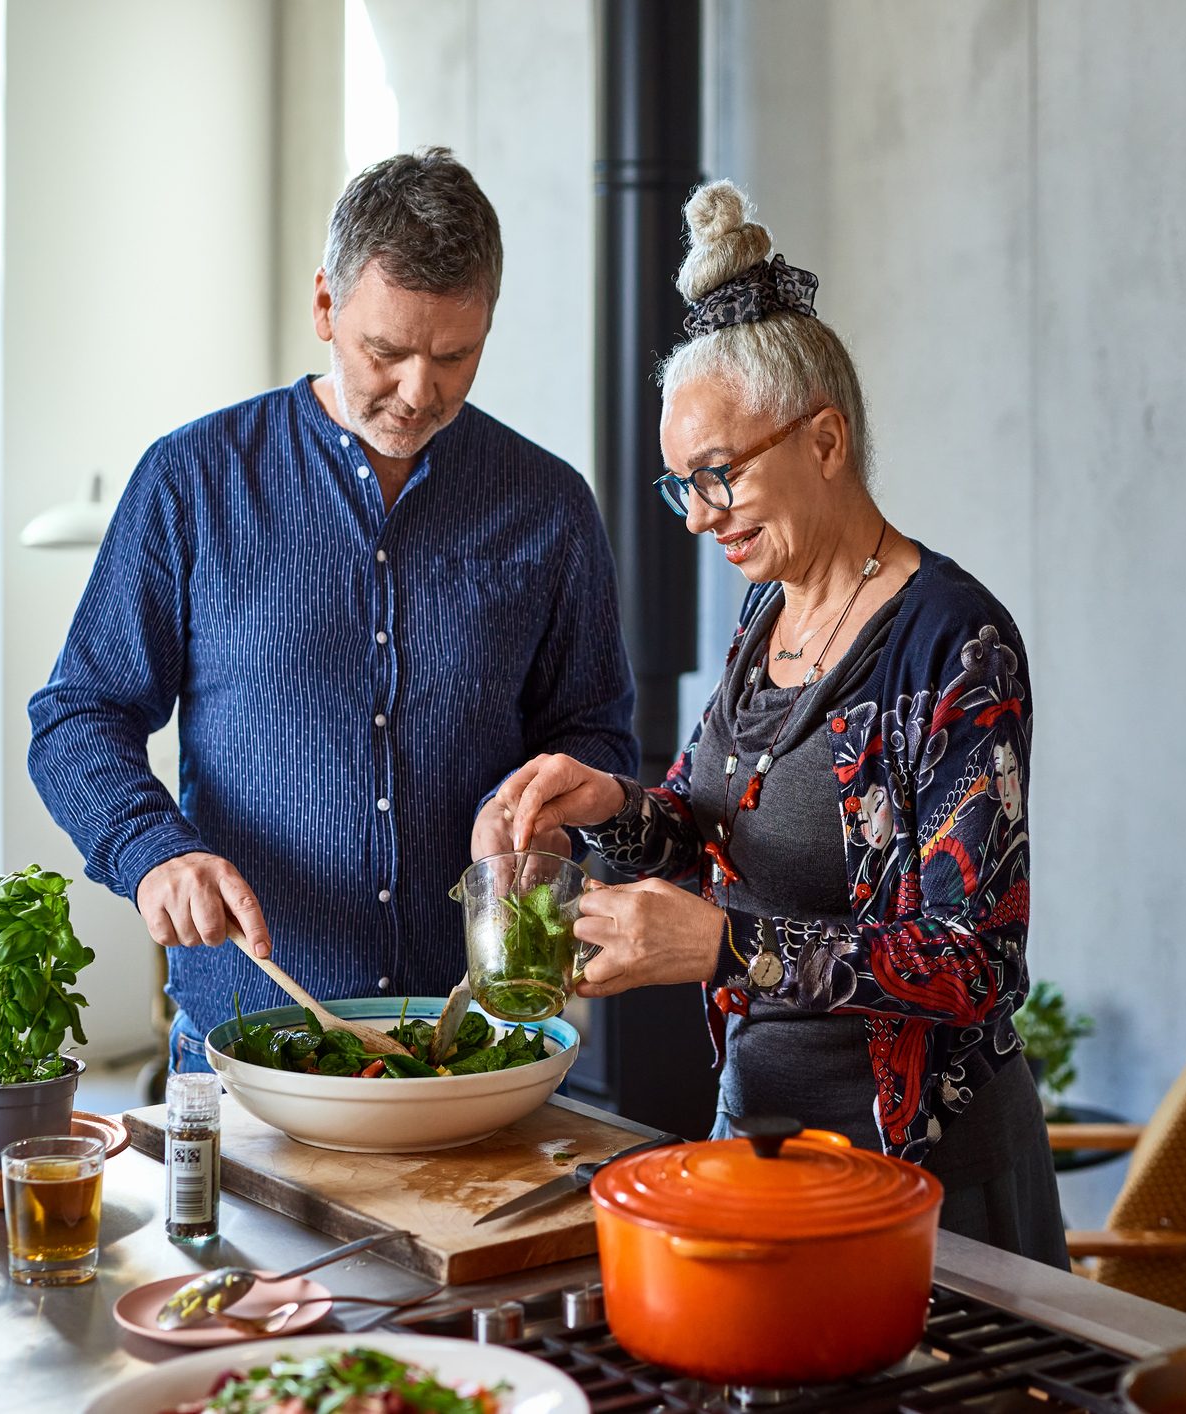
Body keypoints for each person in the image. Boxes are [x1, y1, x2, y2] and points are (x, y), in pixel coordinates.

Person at [489, 181, 1066, 1264]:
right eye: (680, 487)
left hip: (921, 1181)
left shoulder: (953, 643)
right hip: (759, 1138)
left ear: (827, 438)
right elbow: (714, 825)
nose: (700, 515)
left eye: (718, 474)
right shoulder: (766, 614)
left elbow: (970, 959)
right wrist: (612, 806)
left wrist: (718, 944)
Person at [29, 148, 636, 1074]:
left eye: (455, 355)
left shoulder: (549, 505)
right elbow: (77, 716)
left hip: (476, 1041)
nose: (419, 390)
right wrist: (151, 849)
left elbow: (595, 735)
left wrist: (556, 810)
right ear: (324, 307)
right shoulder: (192, 481)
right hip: (248, 1040)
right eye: (385, 352)